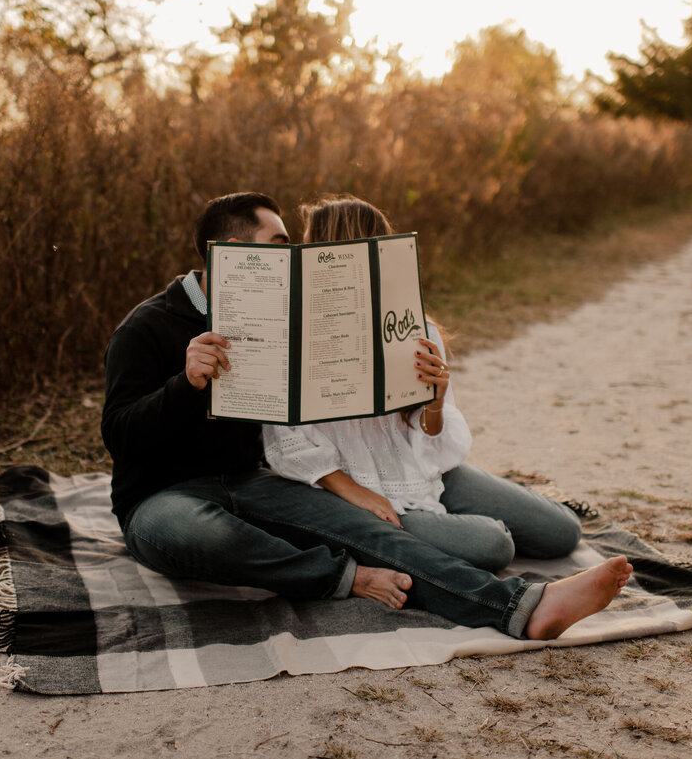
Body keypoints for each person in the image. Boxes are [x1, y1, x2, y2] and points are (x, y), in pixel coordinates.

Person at [101, 191, 631, 641]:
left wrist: (426, 393)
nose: (293, 261)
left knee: (377, 535)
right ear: (235, 254)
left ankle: (521, 609)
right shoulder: (147, 327)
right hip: (162, 497)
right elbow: (119, 435)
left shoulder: (282, 313)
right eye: (281, 248)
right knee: (198, 534)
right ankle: (345, 578)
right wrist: (185, 384)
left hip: (250, 481)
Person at [264, 194, 583, 574]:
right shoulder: (288, 333)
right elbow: (286, 442)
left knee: (562, 532)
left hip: (425, 468)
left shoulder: (413, 327)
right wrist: (356, 494)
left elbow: (431, 430)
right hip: (351, 486)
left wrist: (435, 400)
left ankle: (435, 521)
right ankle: (384, 536)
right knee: (493, 545)